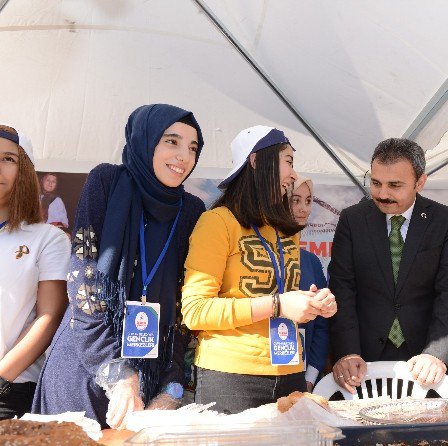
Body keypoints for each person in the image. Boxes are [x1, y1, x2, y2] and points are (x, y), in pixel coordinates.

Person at [33, 104, 206, 429]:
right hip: (84, 371)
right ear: (146, 140)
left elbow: (185, 308)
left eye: (193, 148)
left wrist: (172, 386)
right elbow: (83, 287)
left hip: (149, 384)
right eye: (172, 141)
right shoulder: (107, 182)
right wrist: (120, 375)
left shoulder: (192, 210)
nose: (184, 156)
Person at [181, 125, 337, 414]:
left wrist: (314, 303)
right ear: (255, 162)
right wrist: (277, 305)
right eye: (288, 161)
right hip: (231, 378)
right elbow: (195, 311)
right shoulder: (217, 222)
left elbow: (284, 295)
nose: (292, 174)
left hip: (290, 370)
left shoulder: (286, 230)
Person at [328, 138, 448, 394]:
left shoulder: (444, 221)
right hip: (362, 364)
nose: (382, 194)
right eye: (376, 183)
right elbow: (342, 290)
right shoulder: (352, 220)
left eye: (395, 185)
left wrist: (436, 355)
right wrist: (347, 352)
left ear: (420, 182)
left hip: (425, 363)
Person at [0, 126, 69, 419]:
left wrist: (2, 378)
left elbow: (49, 317)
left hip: (10, 389)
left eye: (8, 159)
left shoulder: (47, 238)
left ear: (25, 171)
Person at [290, 175, 329, 392]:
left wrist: (311, 377)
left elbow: (322, 326)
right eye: (295, 200)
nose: (303, 208)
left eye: (308, 200)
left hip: (303, 379)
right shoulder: (258, 258)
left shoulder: (311, 262)